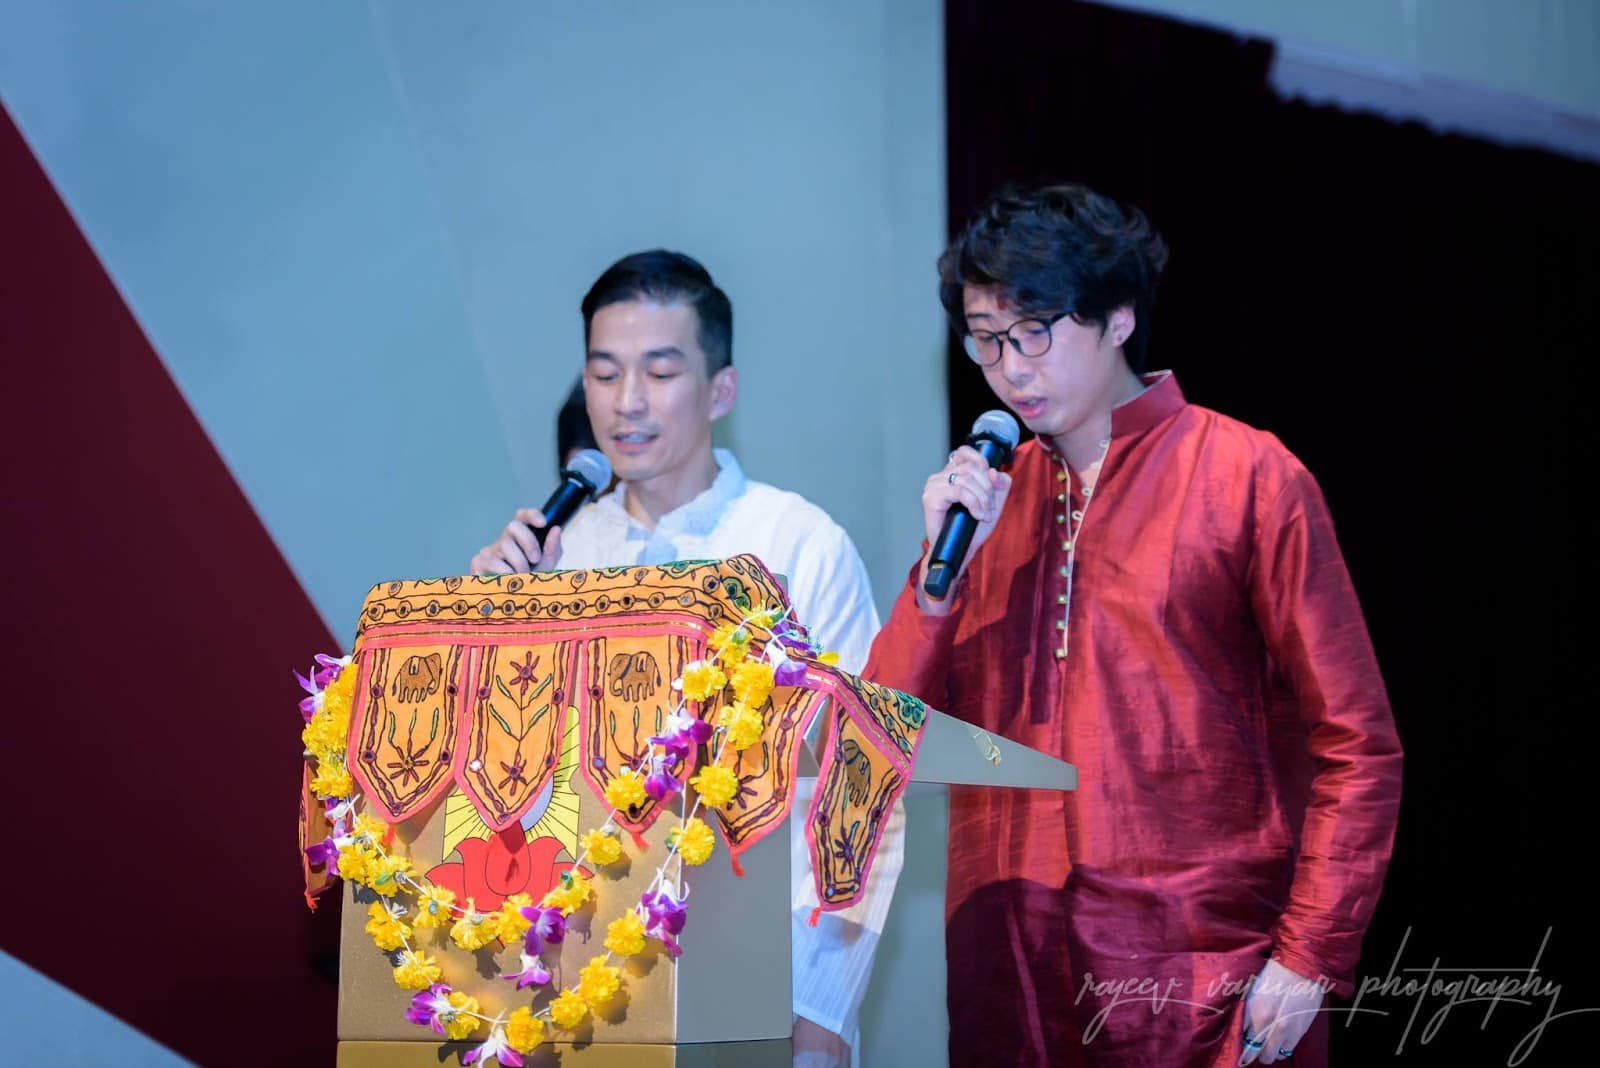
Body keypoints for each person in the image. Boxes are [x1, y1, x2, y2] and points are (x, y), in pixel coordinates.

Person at [863, 183, 1402, 1067]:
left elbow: (1357, 745)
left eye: (1034, 330)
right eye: (986, 339)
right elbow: (882, 739)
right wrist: (935, 577)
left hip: (1202, 978)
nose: (1009, 367)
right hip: (1011, 982)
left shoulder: (1246, 475)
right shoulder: (983, 511)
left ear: (1117, 318)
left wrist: (1310, 956)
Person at [470, 249, 897, 1067]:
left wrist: (818, 1012)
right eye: (604, 373)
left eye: (660, 372)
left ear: (721, 390)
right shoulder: (557, 558)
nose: (626, 402)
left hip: (757, 991)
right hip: (572, 989)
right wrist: (486, 630)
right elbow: (509, 794)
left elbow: (859, 793)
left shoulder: (795, 543)